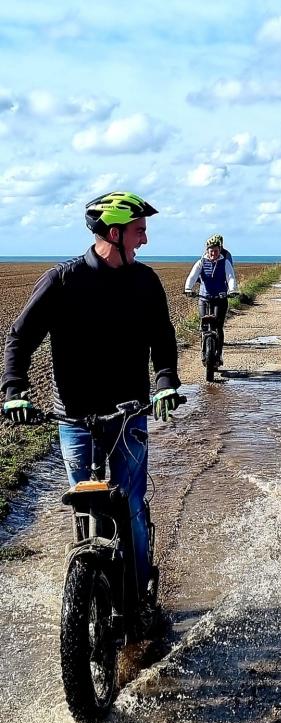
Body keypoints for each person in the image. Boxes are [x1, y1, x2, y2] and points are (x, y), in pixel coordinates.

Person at [1, 191, 183, 619]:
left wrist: (164, 383)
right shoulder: (63, 281)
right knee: (84, 506)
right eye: (140, 231)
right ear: (114, 233)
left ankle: (138, 602)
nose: (145, 240)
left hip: (129, 413)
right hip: (74, 416)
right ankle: (89, 583)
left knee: (133, 508)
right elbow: (19, 337)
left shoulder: (145, 282)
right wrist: (14, 390)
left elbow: (164, 338)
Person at [184, 234, 237, 364]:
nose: (213, 253)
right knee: (204, 326)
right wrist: (188, 289)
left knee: (218, 327)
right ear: (207, 250)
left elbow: (230, 277)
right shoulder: (201, 261)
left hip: (220, 298)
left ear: (220, 250)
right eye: (211, 250)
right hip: (204, 298)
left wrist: (232, 290)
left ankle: (219, 354)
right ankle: (204, 352)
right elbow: (192, 276)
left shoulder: (225, 262)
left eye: (216, 250)